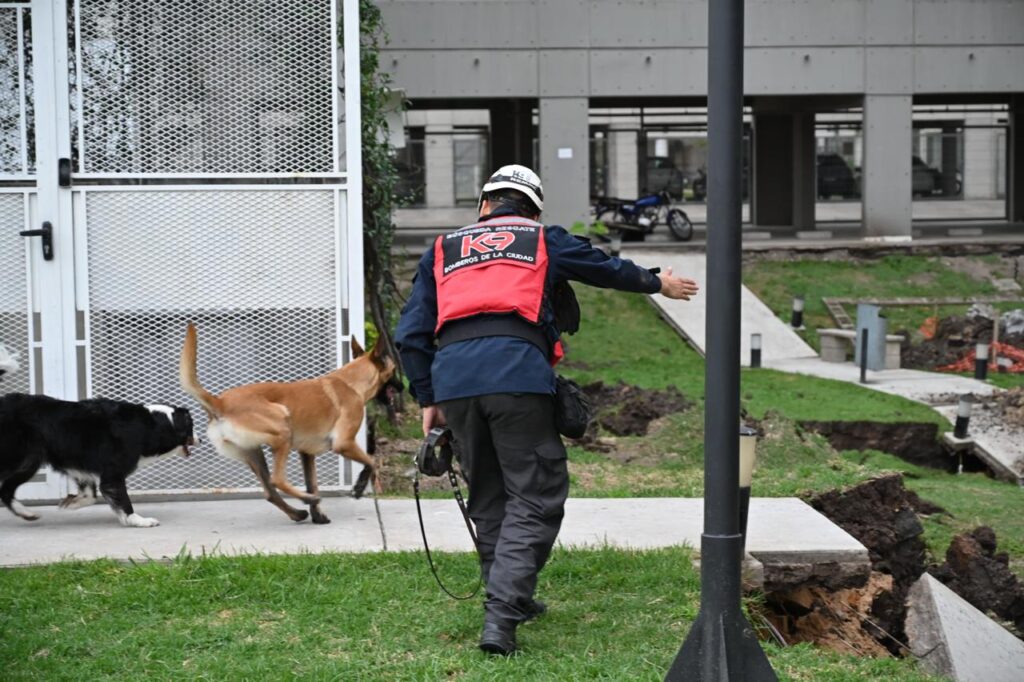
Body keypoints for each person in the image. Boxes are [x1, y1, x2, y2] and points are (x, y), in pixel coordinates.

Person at [395, 164, 699, 655]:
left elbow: (410, 333)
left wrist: (428, 397)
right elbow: (604, 267)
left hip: (455, 381)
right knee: (535, 495)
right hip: (517, 375)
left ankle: (510, 593)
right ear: (533, 211)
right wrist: (657, 282)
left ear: (484, 205)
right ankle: (501, 616)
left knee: (489, 493)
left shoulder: (442, 248)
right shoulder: (541, 238)